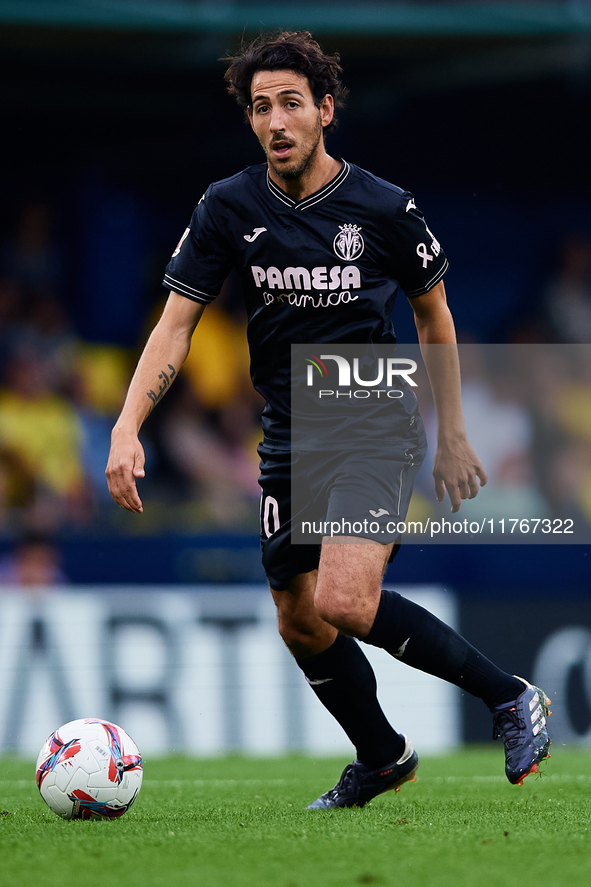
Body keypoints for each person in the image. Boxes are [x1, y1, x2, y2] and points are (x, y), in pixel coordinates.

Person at [106, 31, 551, 808]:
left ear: (324, 112)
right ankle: (381, 756)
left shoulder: (382, 207)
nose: (274, 121)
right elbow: (176, 324)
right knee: (299, 621)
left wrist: (450, 433)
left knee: (341, 601)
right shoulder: (227, 205)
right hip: (286, 425)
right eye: (259, 107)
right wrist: (125, 424)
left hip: (368, 406)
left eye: (289, 104)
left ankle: (509, 694)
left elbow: (434, 316)